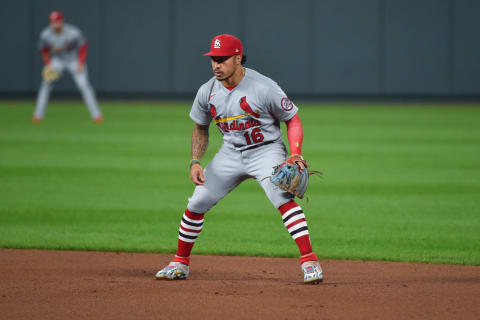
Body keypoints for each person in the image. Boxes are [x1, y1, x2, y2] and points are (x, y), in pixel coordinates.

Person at [156, 34, 323, 284]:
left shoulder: (264, 87)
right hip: (231, 153)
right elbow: (200, 126)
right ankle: (180, 263)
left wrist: (295, 152)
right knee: (196, 203)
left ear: (237, 58)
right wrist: (195, 160)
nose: (216, 65)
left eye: (222, 60)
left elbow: (292, 118)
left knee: (282, 197)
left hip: (266, 150)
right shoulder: (207, 90)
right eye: (213, 59)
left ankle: (309, 261)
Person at [33, 10, 102, 123]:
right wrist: (48, 64)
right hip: (57, 61)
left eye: (56, 21)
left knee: (84, 85)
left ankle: (97, 115)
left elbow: (83, 45)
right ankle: (38, 115)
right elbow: (44, 50)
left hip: (73, 60)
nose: (54, 24)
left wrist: (81, 62)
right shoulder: (46, 34)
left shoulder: (73, 32)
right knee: (45, 84)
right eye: (52, 22)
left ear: (61, 21)